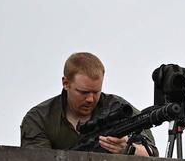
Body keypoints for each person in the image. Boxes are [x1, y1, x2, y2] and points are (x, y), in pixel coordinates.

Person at [20, 52, 158, 155]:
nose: (90, 99)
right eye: (83, 92)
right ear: (65, 83)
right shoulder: (40, 118)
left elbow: (153, 155)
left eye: (96, 92)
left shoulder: (119, 108)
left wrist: (128, 148)